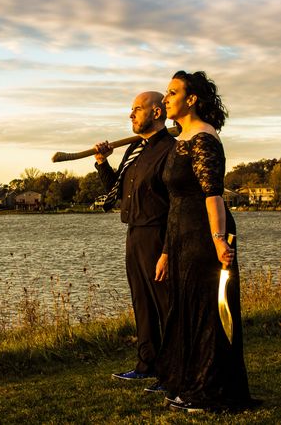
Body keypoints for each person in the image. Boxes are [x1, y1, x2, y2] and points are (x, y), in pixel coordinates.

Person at [154, 71, 256, 413]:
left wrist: (218, 241)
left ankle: (209, 393)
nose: (165, 99)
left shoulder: (204, 139)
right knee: (185, 312)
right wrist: (166, 252)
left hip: (204, 236)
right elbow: (175, 202)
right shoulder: (180, 140)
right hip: (181, 236)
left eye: (172, 93)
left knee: (207, 313)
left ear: (192, 99)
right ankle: (187, 383)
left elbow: (212, 195)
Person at [94, 91, 175, 383]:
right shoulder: (134, 150)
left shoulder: (171, 149)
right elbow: (116, 191)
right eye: (130, 110)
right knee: (141, 302)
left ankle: (171, 372)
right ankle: (147, 365)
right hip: (134, 233)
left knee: (165, 306)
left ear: (156, 112)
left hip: (158, 234)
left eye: (137, 109)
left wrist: (167, 250)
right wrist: (103, 162)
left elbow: (176, 206)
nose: (131, 115)